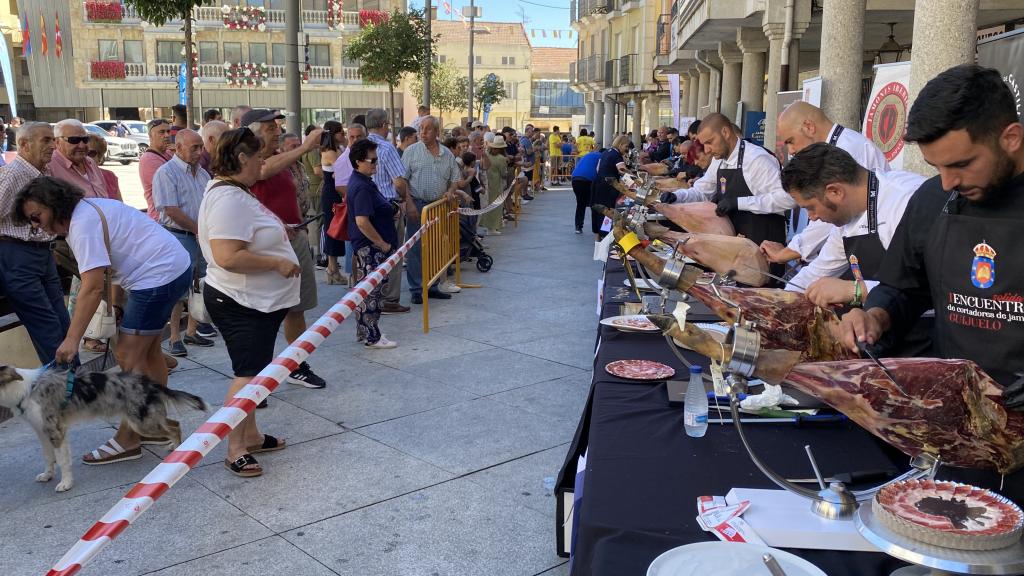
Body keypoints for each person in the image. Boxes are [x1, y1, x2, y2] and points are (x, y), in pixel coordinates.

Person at [839, 64, 1024, 501]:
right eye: (936, 167)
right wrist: (876, 314)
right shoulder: (934, 198)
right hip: (959, 426)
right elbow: (904, 287)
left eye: (961, 164)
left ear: (1011, 138)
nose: (948, 182)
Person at [15, 176, 191, 464]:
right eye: (31, 221)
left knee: (127, 356)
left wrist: (73, 339)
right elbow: (117, 259)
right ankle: (151, 423)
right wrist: (119, 304)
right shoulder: (88, 209)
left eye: (37, 217)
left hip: (158, 277)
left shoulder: (81, 226)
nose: (37, 225)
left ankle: (129, 439)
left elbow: (93, 286)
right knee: (148, 354)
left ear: (54, 204)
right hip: (170, 268)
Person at [198, 127, 298, 477]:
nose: (264, 163)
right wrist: (277, 262)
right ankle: (235, 447)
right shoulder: (229, 198)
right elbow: (228, 255)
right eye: (260, 156)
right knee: (247, 376)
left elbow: (246, 235)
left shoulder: (235, 192)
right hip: (241, 300)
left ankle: (251, 435)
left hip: (256, 300)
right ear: (242, 159)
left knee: (254, 373)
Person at [243, 108, 327, 390]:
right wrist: (305, 147)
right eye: (270, 128)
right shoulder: (251, 163)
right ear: (253, 133)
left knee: (297, 307)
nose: (277, 131)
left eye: (277, 126)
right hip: (266, 248)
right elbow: (264, 172)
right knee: (262, 314)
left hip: (294, 237)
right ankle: (254, 377)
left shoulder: (283, 161)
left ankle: (296, 364)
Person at [779, 143, 925, 305]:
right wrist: (779, 302)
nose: (811, 217)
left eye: (811, 208)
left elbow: (931, 285)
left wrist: (854, 290)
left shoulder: (907, 200)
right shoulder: (845, 220)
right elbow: (817, 272)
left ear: (835, 191)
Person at [761, 100, 893, 267]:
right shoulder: (832, 149)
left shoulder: (850, 148)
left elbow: (830, 213)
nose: (791, 151)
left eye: (790, 141)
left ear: (809, 127)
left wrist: (789, 251)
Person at [660, 113, 789, 280]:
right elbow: (702, 191)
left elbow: (785, 199)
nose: (706, 150)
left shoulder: (756, 159)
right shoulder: (719, 160)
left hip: (764, 245)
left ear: (726, 133)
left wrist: (739, 203)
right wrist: (676, 197)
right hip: (736, 248)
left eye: (709, 142)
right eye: (703, 144)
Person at [0, 122, 69, 363]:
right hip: (18, 255)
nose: (52, 145)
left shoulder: (42, 172)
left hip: (42, 253)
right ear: (24, 145)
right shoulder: (14, 173)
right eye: (46, 140)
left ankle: (76, 384)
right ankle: (65, 390)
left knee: (61, 321)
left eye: (53, 140)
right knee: (47, 325)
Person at [153, 129, 214, 358]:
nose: (199, 152)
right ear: (177, 148)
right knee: (179, 288)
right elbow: (170, 209)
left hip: (199, 235)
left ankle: (192, 330)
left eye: (201, 147)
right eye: (194, 148)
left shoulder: (203, 174)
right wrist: (197, 228)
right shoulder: (166, 173)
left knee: (199, 284)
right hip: (179, 235)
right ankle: (175, 337)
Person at [399, 116, 461, 304]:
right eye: (421, 129)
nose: (423, 133)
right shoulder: (411, 152)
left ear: (436, 132)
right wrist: (408, 203)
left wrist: (451, 191)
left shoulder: (446, 154)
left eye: (427, 129)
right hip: (418, 204)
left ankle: (432, 285)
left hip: (439, 206)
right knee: (417, 248)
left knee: (436, 245)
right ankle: (417, 288)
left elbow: (455, 178)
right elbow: (402, 180)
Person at [346, 138, 400, 349]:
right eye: (373, 161)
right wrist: (382, 244)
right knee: (372, 293)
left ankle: (366, 331)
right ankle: (372, 335)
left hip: (371, 246)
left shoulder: (364, 182)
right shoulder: (361, 187)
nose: (376, 165)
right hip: (371, 249)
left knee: (368, 291)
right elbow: (362, 221)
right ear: (359, 161)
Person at [365, 108, 411, 314]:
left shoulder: (359, 146)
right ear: (384, 125)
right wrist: (404, 199)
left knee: (371, 254)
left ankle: (371, 295)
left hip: (366, 209)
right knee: (393, 253)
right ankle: (390, 298)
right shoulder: (386, 148)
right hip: (388, 207)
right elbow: (399, 181)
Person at [333, 123, 369, 288]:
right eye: (352, 137)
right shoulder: (342, 160)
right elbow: (340, 186)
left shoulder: (366, 155)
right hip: (353, 207)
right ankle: (354, 280)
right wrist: (359, 194)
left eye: (358, 137)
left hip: (365, 206)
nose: (354, 140)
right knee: (354, 245)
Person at [48, 119, 111, 199]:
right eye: (74, 140)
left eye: (85, 140)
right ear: (57, 142)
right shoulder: (49, 166)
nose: (81, 146)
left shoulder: (90, 162)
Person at [318, 120, 347, 285]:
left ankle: (333, 267)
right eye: (341, 133)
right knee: (332, 229)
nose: (343, 136)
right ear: (332, 134)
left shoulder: (338, 149)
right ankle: (331, 267)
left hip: (337, 192)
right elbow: (342, 170)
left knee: (337, 229)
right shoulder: (330, 152)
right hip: (332, 193)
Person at [590, 134, 631, 238]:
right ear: (621, 144)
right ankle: (606, 235)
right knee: (608, 210)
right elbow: (622, 170)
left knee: (599, 210)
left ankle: (598, 235)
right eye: (626, 146)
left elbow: (598, 169)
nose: (627, 149)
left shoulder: (605, 152)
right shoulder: (616, 155)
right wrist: (634, 177)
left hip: (598, 184)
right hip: (608, 187)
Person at [139, 118, 174, 220]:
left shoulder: (169, 152)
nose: (167, 135)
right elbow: (170, 186)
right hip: (161, 219)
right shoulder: (149, 159)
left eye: (168, 131)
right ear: (150, 136)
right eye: (161, 132)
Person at [481, 135, 509, 237]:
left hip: (487, 182)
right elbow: (503, 173)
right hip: (497, 183)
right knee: (496, 206)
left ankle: (486, 226)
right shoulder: (501, 158)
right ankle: (492, 227)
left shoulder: (486, 154)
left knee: (488, 204)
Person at [571, 148, 601, 234]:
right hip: (588, 180)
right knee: (593, 204)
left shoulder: (587, 155)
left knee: (580, 204)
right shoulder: (601, 157)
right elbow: (599, 171)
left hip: (575, 178)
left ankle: (578, 227)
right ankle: (596, 228)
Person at [86, 135, 123, 202]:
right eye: (82, 153)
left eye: (91, 153)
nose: (86, 157)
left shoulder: (110, 176)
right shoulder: (72, 177)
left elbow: (120, 206)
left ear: (99, 156)